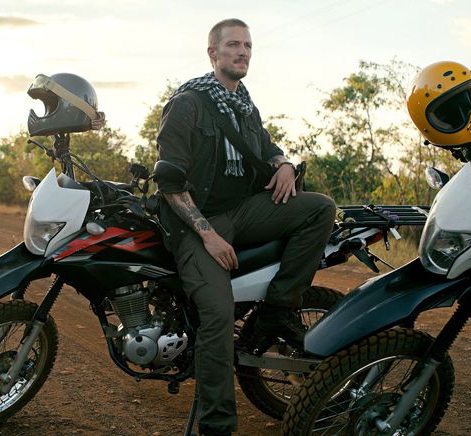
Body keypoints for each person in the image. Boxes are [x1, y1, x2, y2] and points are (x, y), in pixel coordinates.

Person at [153, 18, 336, 435]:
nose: (242, 52)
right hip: (196, 222)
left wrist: (284, 164)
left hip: (244, 211)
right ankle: (218, 425)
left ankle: (277, 309)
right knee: (216, 317)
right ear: (213, 53)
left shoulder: (244, 104)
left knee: (321, 208)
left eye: (248, 46)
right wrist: (208, 235)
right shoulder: (188, 103)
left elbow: (267, 148)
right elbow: (170, 183)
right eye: (233, 45)